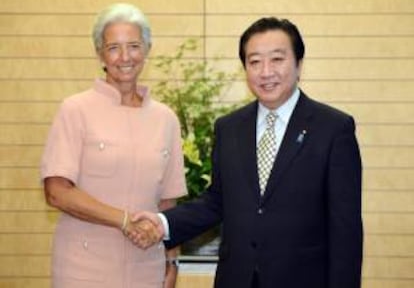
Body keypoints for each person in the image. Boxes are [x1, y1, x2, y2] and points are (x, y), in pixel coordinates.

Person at [131, 17, 363, 288]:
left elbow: (345, 230)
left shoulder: (333, 129)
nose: (265, 71)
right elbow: (216, 201)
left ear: (299, 64)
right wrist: (162, 223)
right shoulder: (229, 128)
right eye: (254, 62)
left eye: (277, 59)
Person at [40, 3, 187, 288]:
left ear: (146, 49)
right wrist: (123, 220)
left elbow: (168, 203)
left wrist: (171, 261)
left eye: (133, 46)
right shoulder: (75, 110)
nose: (125, 57)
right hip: (83, 268)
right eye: (113, 48)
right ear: (100, 54)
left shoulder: (165, 118)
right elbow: (56, 192)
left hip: (147, 267)